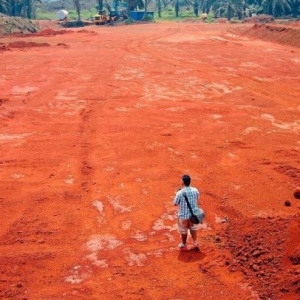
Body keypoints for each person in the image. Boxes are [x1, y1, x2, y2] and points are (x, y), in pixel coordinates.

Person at [174, 174, 200, 251]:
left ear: (182, 182)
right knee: (193, 228)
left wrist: (177, 194)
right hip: (193, 215)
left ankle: (184, 245)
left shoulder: (179, 193)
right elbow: (197, 198)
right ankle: (195, 243)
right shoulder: (195, 190)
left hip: (183, 216)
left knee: (183, 231)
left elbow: (175, 203)